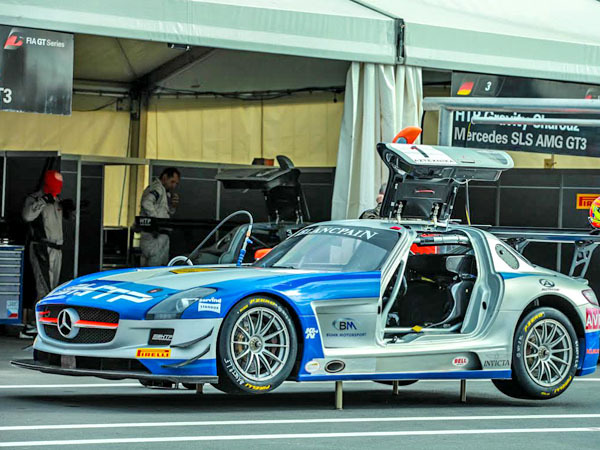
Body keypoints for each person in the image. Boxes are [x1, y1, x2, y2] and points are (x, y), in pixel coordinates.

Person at [22, 170, 74, 335]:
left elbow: (68, 219)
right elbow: (27, 216)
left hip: (57, 249)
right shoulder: (35, 199)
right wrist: (43, 201)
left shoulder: (57, 200)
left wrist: (70, 210)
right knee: (43, 287)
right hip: (41, 248)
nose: (58, 188)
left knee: (53, 288)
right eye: (55, 185)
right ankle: (35, 323)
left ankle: (46, 322)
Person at [139, 167, 181, 266]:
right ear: (165, 177)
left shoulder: (162, 191)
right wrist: (156, 223)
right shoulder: (157, 188)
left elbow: (164, 212)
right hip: (155, 237)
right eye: (172, 182)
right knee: (155, 266)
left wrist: (173, 206)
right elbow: (147, 203)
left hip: (154, 235)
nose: (174, 186)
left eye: (176, 183)